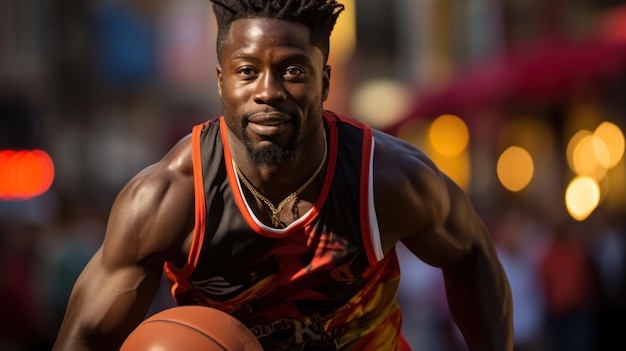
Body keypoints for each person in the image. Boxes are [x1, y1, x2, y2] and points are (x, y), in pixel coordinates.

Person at [52, 1, 513, 350]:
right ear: (220, 82)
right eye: (247, 71)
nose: (268, 92)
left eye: (292, 70)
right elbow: (85, 334)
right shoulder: (167, 198)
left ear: (325, 81)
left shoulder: (388, 180)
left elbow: (472, 255)